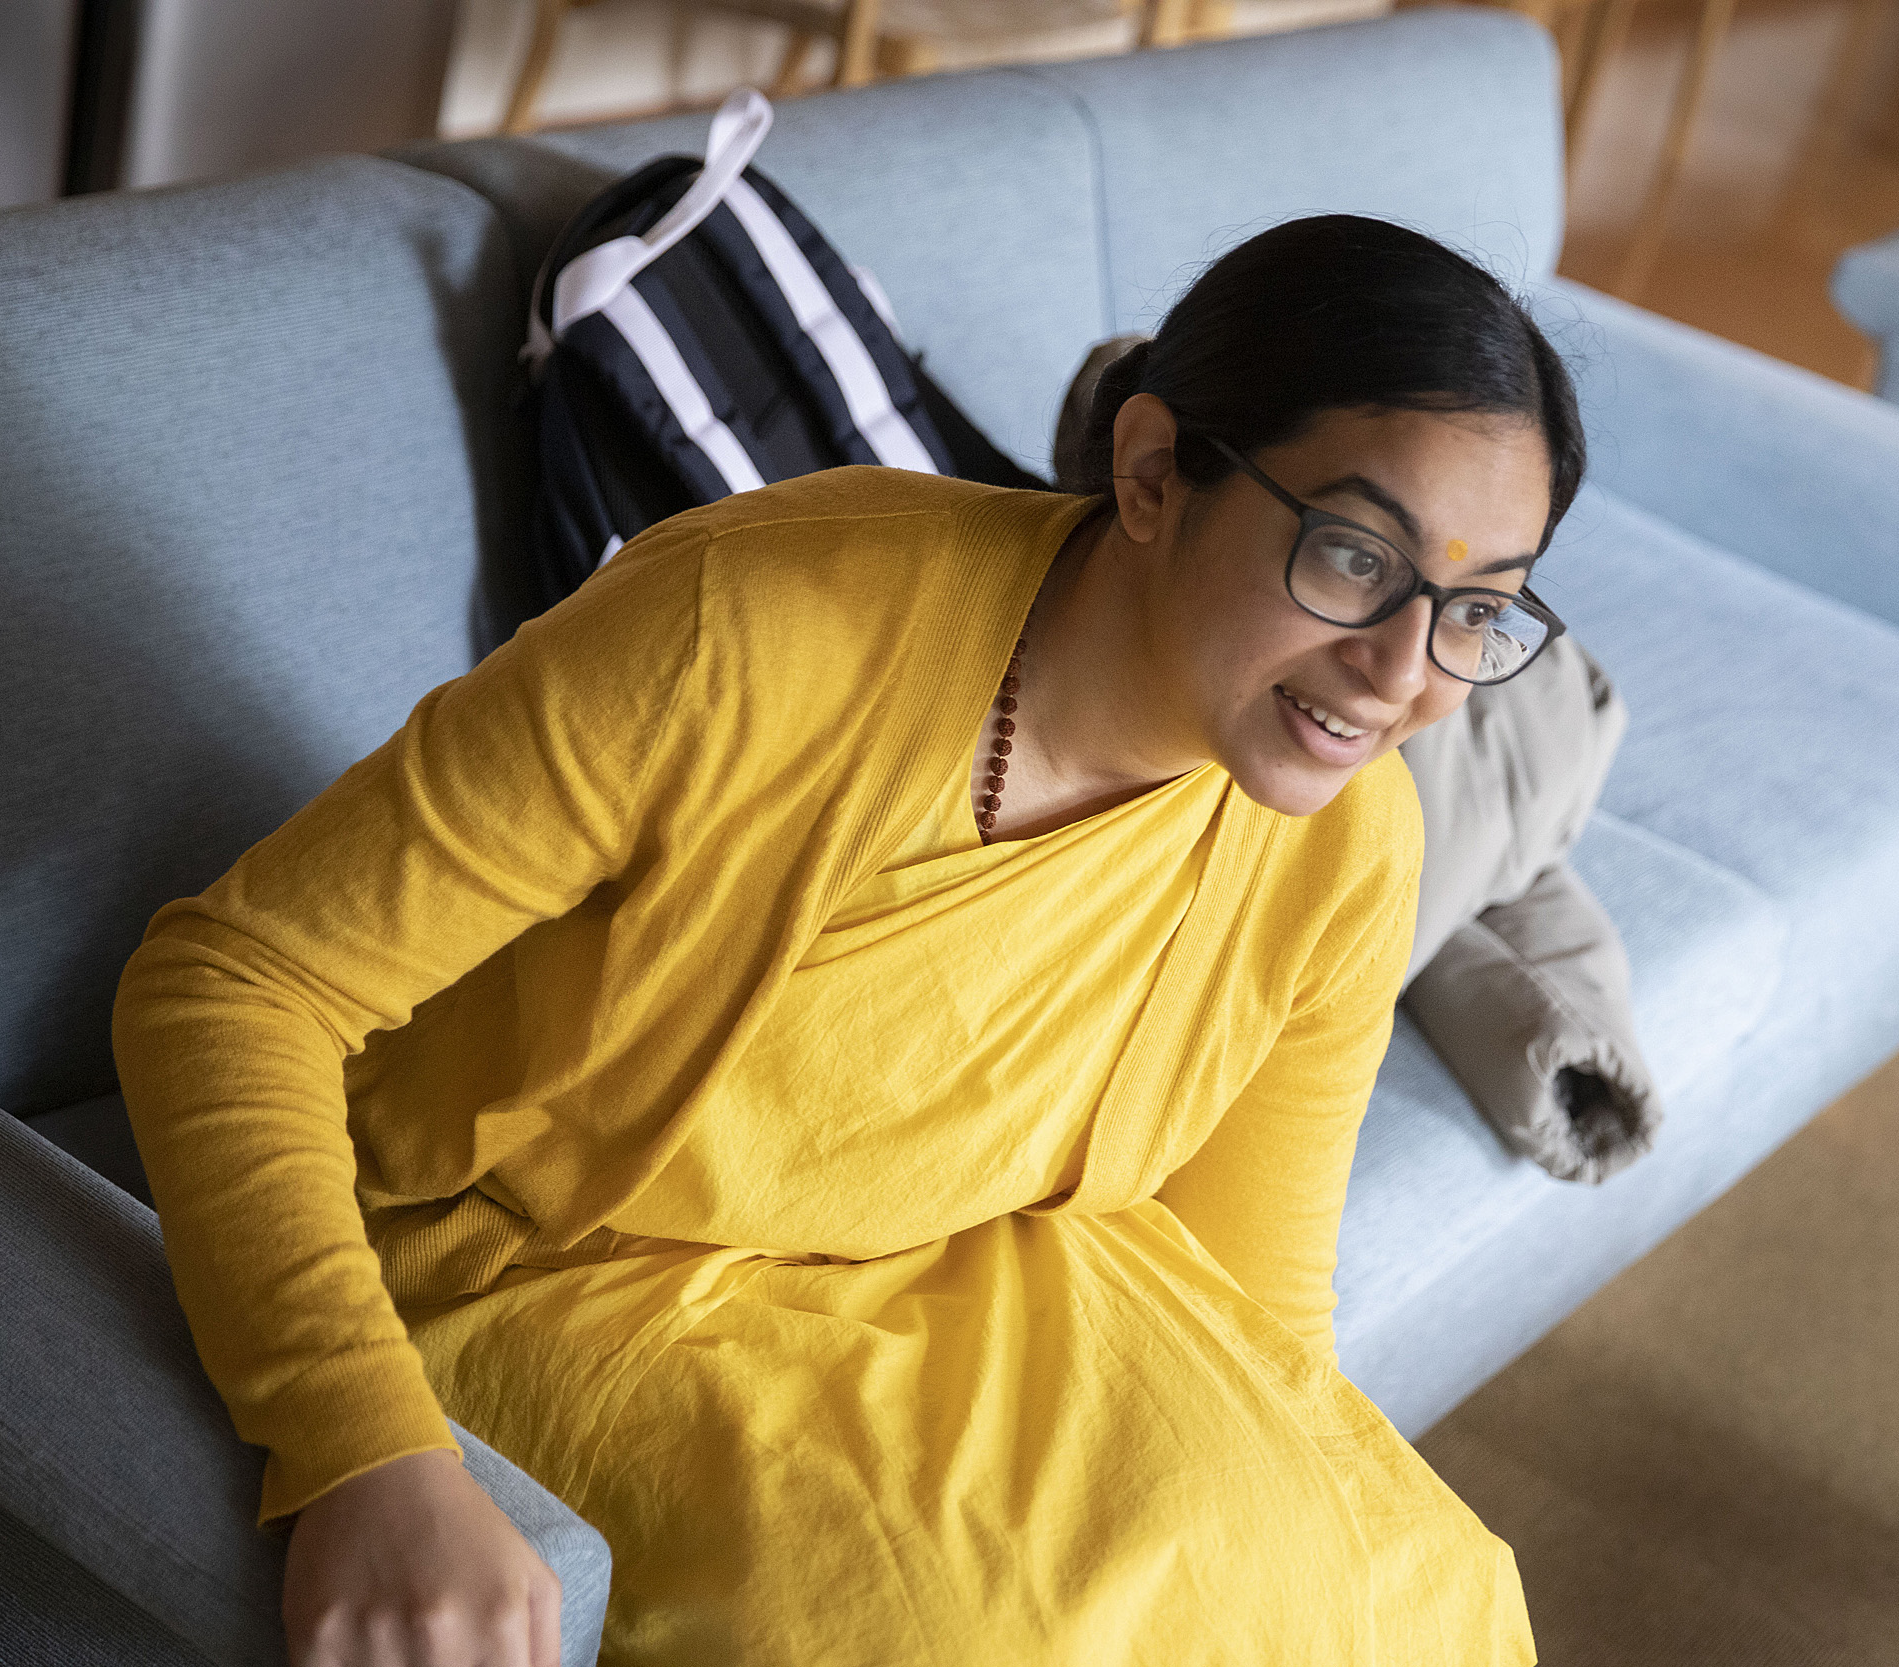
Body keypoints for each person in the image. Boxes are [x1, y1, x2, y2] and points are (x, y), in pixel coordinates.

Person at [114, 211, 1585, 1667]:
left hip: (984, 1274)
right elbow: (231, 987)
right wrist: (364, 1453)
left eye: (1481, 612)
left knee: (1411, 1594)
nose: (1402, 671)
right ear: (1152, 474)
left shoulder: (1344, 837)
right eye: (1350, 556)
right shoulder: (746, 631)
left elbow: (1250, 1313)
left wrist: (1284, 1530)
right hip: (556, 1267)